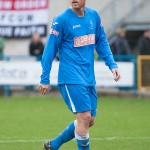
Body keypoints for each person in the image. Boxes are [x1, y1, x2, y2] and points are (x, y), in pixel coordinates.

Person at [39, 0, 121, 150]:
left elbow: (101, 41)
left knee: (89, 120)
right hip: (70, 77)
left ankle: (53, 145)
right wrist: (45, 78)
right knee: (84, 117)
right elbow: (49, 50)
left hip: (88, 77)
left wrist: (112, 64)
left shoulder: (94, 16)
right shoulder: (61, 19)